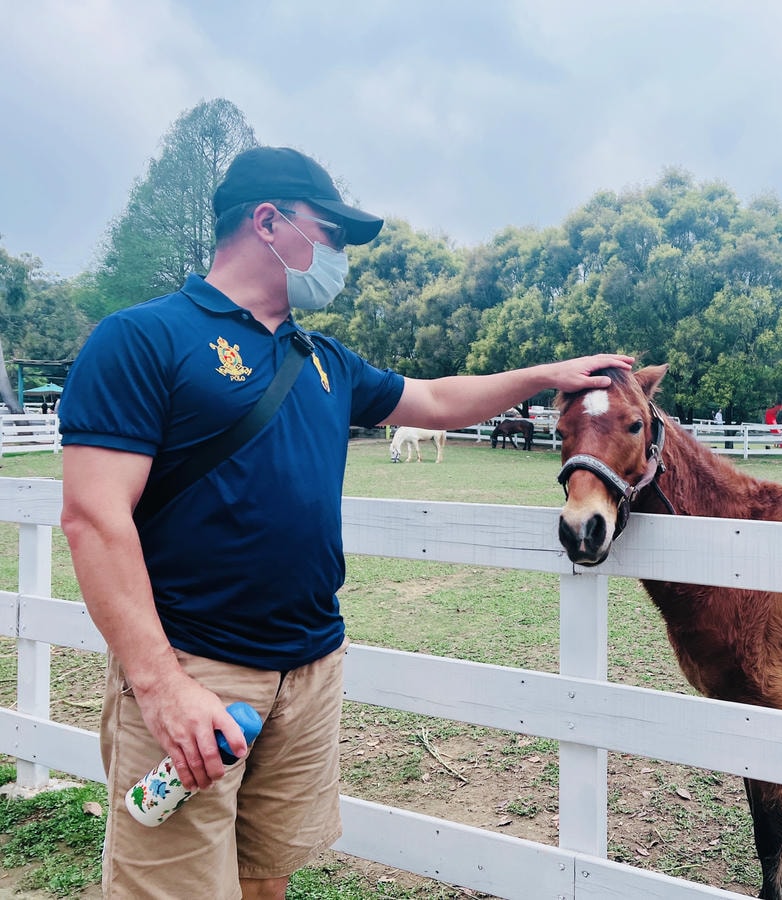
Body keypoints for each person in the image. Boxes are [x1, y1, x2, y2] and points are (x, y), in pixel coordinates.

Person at [57, 145, 634, 900]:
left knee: (268, 879)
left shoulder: (323, 359)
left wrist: (544, 376)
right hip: (195, 672)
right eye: (329, 234)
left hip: (308, 668)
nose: (339, 256)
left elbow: (433, 401)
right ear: (268, 222)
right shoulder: (141, 340)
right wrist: (161, 686)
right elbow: (93, 519)